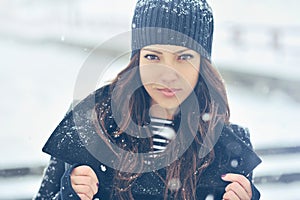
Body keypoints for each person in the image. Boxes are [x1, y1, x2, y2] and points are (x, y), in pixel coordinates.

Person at [35, 0, 261, 199]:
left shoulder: (228, 148)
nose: (168, 73)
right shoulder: (88, 124)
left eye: (184, 57)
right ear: (138, 59)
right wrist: (68, 195)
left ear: (202, 64)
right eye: (153, 56)